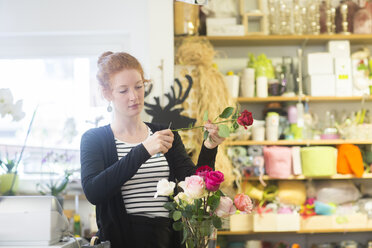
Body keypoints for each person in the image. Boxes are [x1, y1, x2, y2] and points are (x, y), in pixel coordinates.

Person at [80, 51, 226, 248]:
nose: (134, 96)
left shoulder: (164, 134)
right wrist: (143, 150)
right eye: (123, 90)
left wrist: (209, 148)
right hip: (119, 241)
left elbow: (196, 187)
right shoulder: (94, 139)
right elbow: (94, 192)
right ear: (107, 93)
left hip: (165, 240)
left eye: (139, 87)